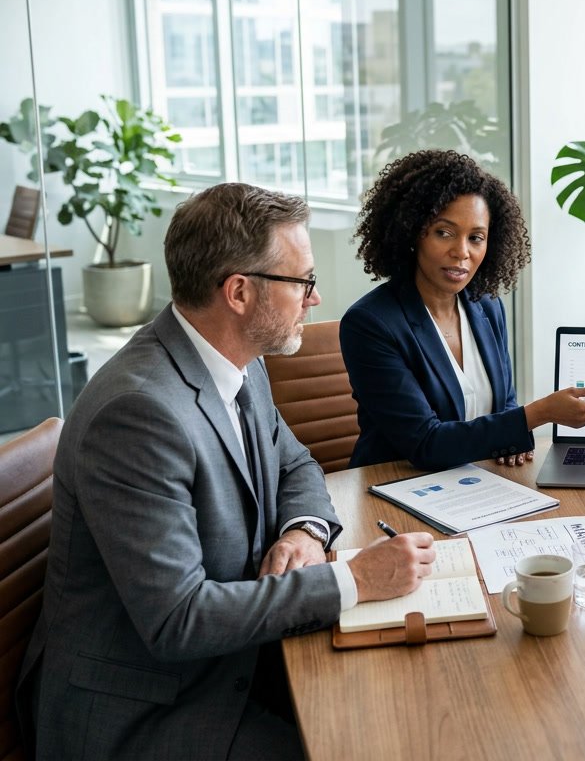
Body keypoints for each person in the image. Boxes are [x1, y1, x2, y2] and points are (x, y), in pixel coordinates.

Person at [17, 183, 437, 760]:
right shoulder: (137, 414)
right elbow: (178, 619)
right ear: (239, 292)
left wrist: (304, 531)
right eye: (304, 281)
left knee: (405, 707)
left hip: (234, 658)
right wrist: (355, 581)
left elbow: (295, 463)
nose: (315, 299)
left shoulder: (239, 359)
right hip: (148, 711)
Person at [341, 149, 585, 470]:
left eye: (476, 237)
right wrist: (538, 415)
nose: (461, 252)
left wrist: (509, 437)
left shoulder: (486, 304)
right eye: (444, 232)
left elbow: (504, 402)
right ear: (413, 233)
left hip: (475, 482)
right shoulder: (370, 324)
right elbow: (426, 443)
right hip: (394, 485)